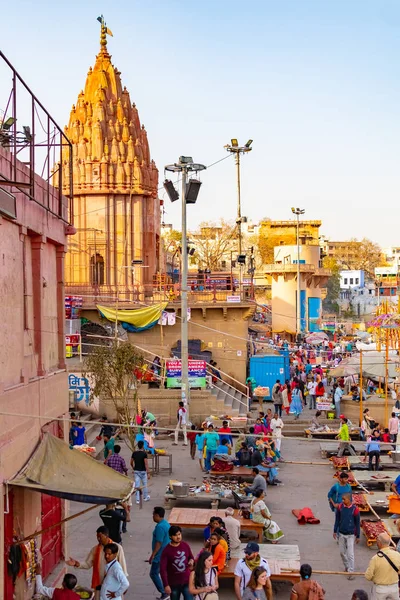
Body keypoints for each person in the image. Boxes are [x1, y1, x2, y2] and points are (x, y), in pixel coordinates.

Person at [66, 526, 127, 599]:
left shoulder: (118, 548)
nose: (98, 539)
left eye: (100, 537)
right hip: (99, 584)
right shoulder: (95, 549)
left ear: (106, 535)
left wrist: (124, 585)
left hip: (114, 586)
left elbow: (123, 567)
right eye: (97, 537)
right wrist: (76, 564)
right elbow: (88, 564)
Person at [160, 525, 194, 600]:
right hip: (173, 583)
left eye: (179, 534)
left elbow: (191, 557)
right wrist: (166, 585)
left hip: (187, 581)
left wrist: (191, 561)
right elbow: (162, 570)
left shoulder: (185, 545)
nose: (178, 537)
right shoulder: (166, 551)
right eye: (175, 535)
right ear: (170, 537)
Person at [365, 532, 400, 599]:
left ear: (379, 543)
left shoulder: (375, 558)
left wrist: (375, 577)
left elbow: (368, 576)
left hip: (380, 590)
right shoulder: (397, 555)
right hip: (394, 588)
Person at [333, 493, 360, 580]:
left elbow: (357, 523)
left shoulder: (355, 510)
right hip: (341, 533)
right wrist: (334, 531)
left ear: (349, 500)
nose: (342, 501)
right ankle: (347, 566)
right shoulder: (340, 508)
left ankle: (351, 572)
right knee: (342, 552)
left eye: (344, 499)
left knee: (350, 554)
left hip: (350, 535)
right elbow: (337, 520)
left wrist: (358, 535)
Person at [149, 506, 171, 599]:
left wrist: (153, 555)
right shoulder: (166, 523)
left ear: (157, 515)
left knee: (153, 573)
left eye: (153, 515)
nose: (152, 516)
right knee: (161, 572)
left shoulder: (160, 527)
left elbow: (159, 542)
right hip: (165, 552)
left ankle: (164, 592)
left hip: (160, 555)